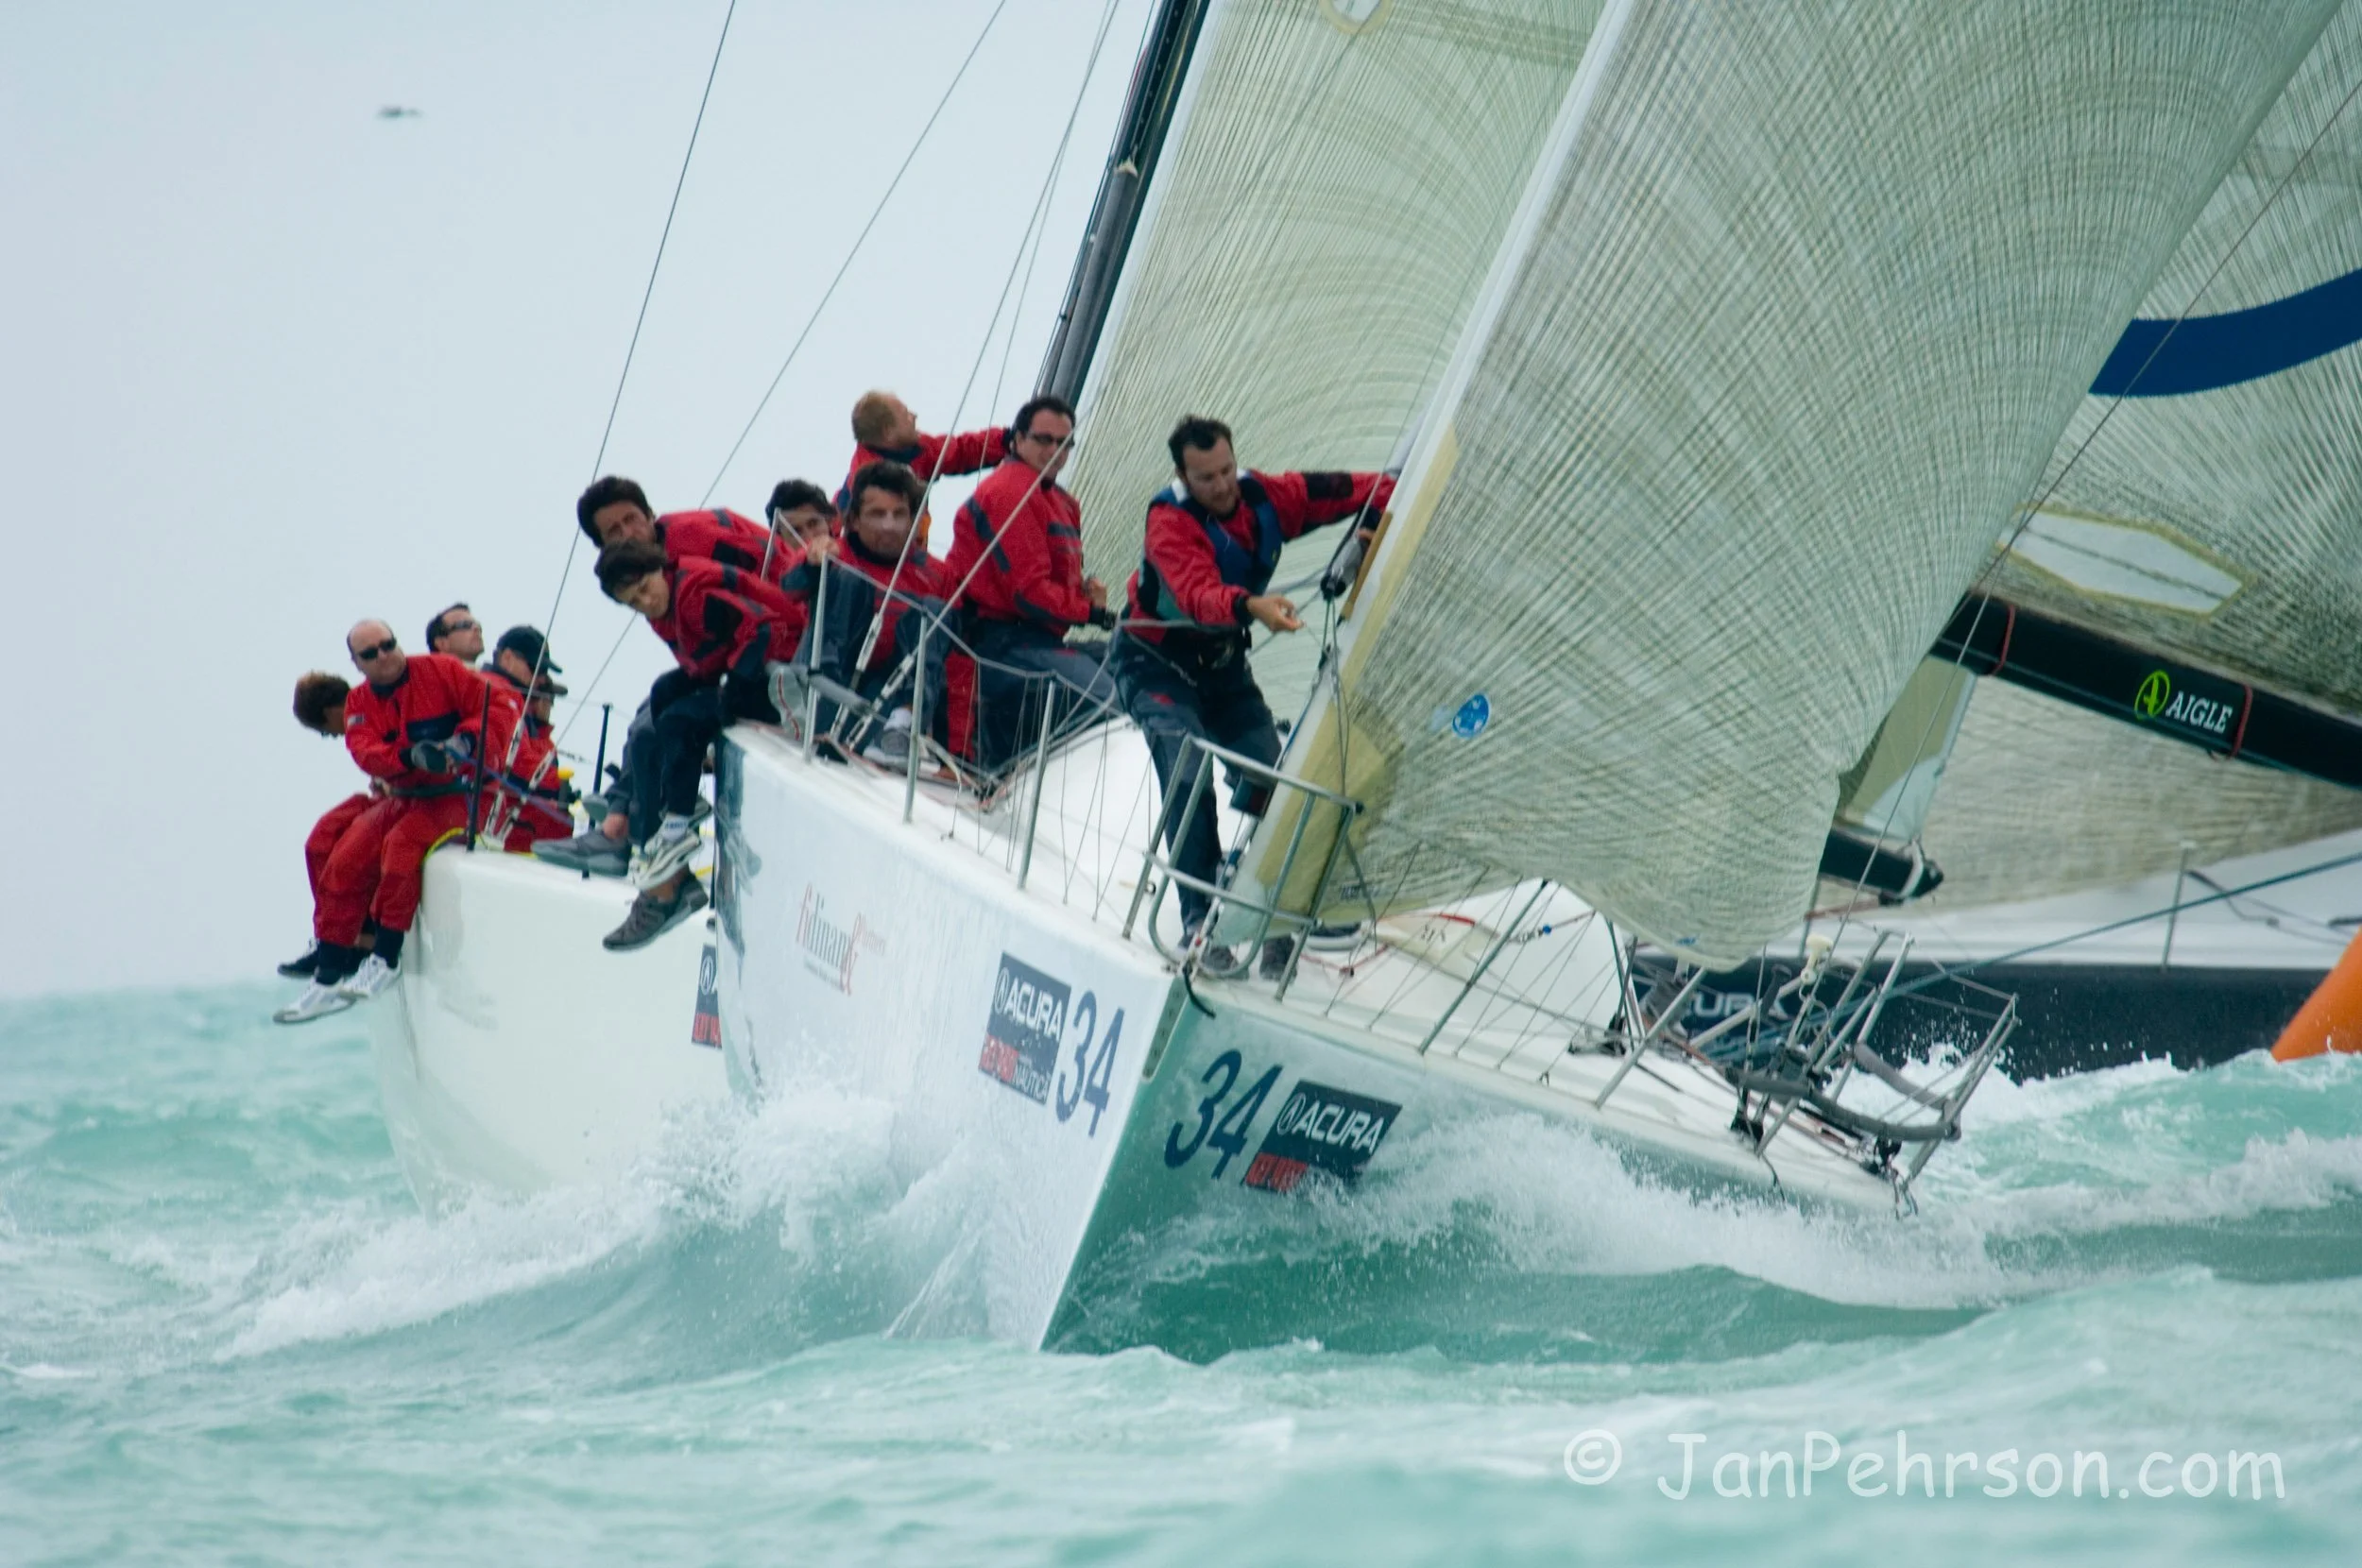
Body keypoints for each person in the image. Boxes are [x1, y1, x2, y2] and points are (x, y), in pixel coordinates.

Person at [1115, 415, 1393, 977]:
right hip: (1155, 665)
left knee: (1273, 778)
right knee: (1187, 770)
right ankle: (1197, 921)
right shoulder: (1168, 523)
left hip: (1222, 670)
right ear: (1182, 476)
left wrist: (1374, 525)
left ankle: (1269, 911)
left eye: (1226, 470)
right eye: (1206, 478)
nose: (1221, 486)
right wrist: (1251, 607)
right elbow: (1198, 594)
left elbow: (1370, 489)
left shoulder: (1267, 495)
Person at [538, 479, 784, 877]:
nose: (628, 532)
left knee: (658, 725)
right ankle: (628, 815)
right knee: (654, 706)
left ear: (650, 514)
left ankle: (635, 831)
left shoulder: (690, 547)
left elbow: (765, 586)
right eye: (613, 531)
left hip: (773, 649)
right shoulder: (642, 576)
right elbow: (696, 650)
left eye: (631, 519)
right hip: (733, 654)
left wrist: (734, 683)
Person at [303, 621, 522, 1005]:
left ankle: (386, 957)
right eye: (370, 653)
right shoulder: (359, 704)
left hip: (459, 795)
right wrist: (408, 757)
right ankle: (329, 969)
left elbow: (497, 710)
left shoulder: (443, 671)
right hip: (407, 795)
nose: (383, 655)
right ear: (357, 663)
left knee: (401, 846)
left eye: (388, 645)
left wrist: (464, 743)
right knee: (347, 855)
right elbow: (365, 751)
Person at [594, 541, 798, 950]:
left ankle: (677, 823)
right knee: (657, 711)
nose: (645, 602)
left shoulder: (692, 592)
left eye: (645, 589)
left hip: (777, 670)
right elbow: (703, 655)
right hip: (739, 666)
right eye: (633, 602)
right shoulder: (664, 607)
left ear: (659, 569)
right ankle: (668, 819)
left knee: (681, 721)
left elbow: (762, 627)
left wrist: (732, 688)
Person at [942, 393, 1117, 765]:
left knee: (1139, 670)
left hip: (1037, 642)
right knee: (1107, 698)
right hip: (997, 645)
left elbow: (1050, 582)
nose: (1054, 451)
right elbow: (1028, 592)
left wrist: (1085, 597)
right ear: (1018, 440)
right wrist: (1093, 613)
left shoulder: (1060, 501)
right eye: (1044, 440)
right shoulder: (1009, 494)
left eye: (1064, 443)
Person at [784, 460, 950, 763]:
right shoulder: (831, 551)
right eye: (877, 514)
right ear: (854, 521)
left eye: (898, 514)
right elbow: (787, 591)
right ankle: (816, 699)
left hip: (880, 697)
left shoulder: (937, 576)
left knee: (933, 612)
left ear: (913, 521)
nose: (889, 524)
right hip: (820, 679)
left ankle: (901, 726)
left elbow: (956, 664)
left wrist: (956, 750)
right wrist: (811, 566)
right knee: (849, 578)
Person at [275, 673, 388, 1018]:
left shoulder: (379, 707)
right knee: (320, 842)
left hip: (406, 798)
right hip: (385, 796)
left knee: (350, 853)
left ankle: (359, 943)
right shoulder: (361, 721)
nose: (332, 736)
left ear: (331, 711)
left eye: (325, 730)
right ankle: (334, 937)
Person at [839, 390, 1009, 549]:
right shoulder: (869, 484)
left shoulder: (913, 449)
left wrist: (1006, 440)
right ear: (889, 433)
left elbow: (958, 451)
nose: (914, 416)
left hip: (910, 555)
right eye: (906, 415)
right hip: (886, 560)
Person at [479, 626, 573, 848]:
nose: (541, 678)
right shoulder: (497, 693)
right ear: (507, 658)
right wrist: (560, 785)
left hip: (503, 824)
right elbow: (511, 761)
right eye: (536, 668)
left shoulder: (514, 699)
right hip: (486, 820)